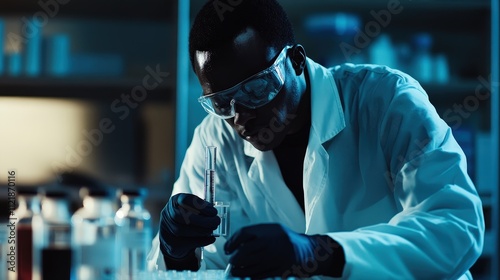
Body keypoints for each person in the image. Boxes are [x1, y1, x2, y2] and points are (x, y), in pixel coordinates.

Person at [147, 0, 485, 278]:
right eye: (221, 101)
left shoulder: (385, 101)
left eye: (255, 88)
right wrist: (175, 250)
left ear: (294, 61)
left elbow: (455, 226)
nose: (240, 116)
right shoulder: (215, 138)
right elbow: (211, 267)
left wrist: (320, 252)